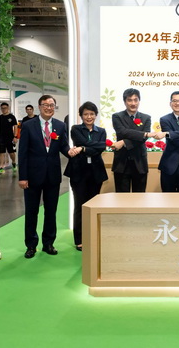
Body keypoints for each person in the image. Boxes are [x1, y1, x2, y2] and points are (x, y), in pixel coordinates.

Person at [17, 95, 71, 258]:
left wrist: (71, 152)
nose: (49, 108)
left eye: (52, 105)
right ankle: (31, 245)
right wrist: (22, 177)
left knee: (51, 211)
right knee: (31, 212)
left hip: (52, 176)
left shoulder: (60, 126)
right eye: (45, 105)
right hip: (32, 176)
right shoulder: (28, 125)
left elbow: (63, 146)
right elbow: (22, 153)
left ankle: (48, 243)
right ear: (39, 107)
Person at [64, 101, 108, 250]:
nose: (89, 117)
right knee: (80, 205)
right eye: (86, 114)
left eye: (92, 114)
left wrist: (82, 148)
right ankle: (80, 239)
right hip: (79, 172)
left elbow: (101, 147)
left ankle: (93, 236)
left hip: (96, 172)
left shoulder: (101, 131)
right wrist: (88, 146)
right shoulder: (75, 129)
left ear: (96, 115)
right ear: (81, 116)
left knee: (93, 205)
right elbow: (83, 142)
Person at [112, 88, 153, 193]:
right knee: (121, 198)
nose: (133, 103)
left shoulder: (146, 118)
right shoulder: (117, 116)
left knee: (139, 198)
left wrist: (124, 142)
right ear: (124, 101)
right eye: (129, 100)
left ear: (139, 101)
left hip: (140, 163)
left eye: (136, 100)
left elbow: (143, 140)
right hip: (122, 163)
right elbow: (122, 132)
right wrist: (143, 134)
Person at [0, 102, 18, 173]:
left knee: (11, 153)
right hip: (1, 138)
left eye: (5, 108)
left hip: (10, 138)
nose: (3, 109)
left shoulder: (12, 117)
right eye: (2, 108)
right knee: (1, 153)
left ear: (8, 108)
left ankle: (14, 162)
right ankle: (1, 167)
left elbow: (15, 127)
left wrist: (15, 136)